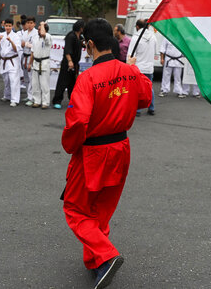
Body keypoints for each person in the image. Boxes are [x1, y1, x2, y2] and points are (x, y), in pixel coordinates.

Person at [61, 18, 152, 289]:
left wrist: (70, 145)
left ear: (89, 45)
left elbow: (78, 121)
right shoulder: (130, 72)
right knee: (102, 210)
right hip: (121, 148)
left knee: (76, 209)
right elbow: (145, 99)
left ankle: (106, 255)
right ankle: (97, 263)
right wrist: (132, 70)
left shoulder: (88, 78)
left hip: (93, 152)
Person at [52, 19, 84, 109]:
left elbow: (83, 44)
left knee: (72, 84)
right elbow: (67, 50)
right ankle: (57, 101)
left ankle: (72, 101)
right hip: (68, 63)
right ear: (80, 28)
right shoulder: (71, 36)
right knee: (62, 82)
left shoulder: (80, 37)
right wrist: (70, 61)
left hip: (75, 64)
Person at [127, 19, 156, 115]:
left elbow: (130, 55)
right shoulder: (153, 37)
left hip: (138, 67)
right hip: (149, 67)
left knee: (137, 89)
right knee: (150, 87)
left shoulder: (135, 38)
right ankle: (151, 108)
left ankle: (138, 110)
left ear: (137, 27)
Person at [0, 18, 22, 107]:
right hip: (3, 60)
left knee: (14, 80)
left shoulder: (16, 36)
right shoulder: (1, 35)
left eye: (9, 26)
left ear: (12, 26)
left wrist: (11, 41)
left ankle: (15, 99)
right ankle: (7, 95)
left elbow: (16, 49)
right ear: (4, 26)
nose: (7, 27)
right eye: (6, 26)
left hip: (13, 60)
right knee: (6, 80)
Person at [28, 21, 52, 109]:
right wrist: (30, 63)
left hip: (44, 63)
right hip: (36, 62)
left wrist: (42, 24)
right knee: (35, 84)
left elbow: (43, 33)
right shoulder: (35, 38)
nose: (38, 31)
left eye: (40, 29)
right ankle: (37, 100)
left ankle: (45, 102)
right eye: (38, 29)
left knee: (44, 84)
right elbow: (32, 52)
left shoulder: (48, 37)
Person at [21, 16, 38, 105]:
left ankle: (32, 98)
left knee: (31, 78)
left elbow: (35, 46)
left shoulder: (36, 33)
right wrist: (23, 44)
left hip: (31, 57)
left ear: (34, 24)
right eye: (28, 23)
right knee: (26, 78)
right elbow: (21, 44)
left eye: (31, 23)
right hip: (24, 56)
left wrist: (26, 44)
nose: (29, 25)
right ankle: (28, 95)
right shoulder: (24, 33)